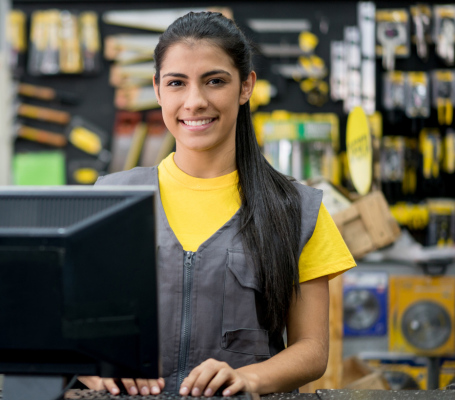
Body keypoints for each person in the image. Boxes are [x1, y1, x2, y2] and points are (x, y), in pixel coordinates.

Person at [82, 11, 355, 396]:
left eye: (214, 81)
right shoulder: (108, 200)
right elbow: (66, 326)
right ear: (158, 89)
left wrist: (250, 377)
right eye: (177, 83)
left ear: (246, 87)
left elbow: (312, 351)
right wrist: (94, 368)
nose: (195, 101)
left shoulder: (298, 209)